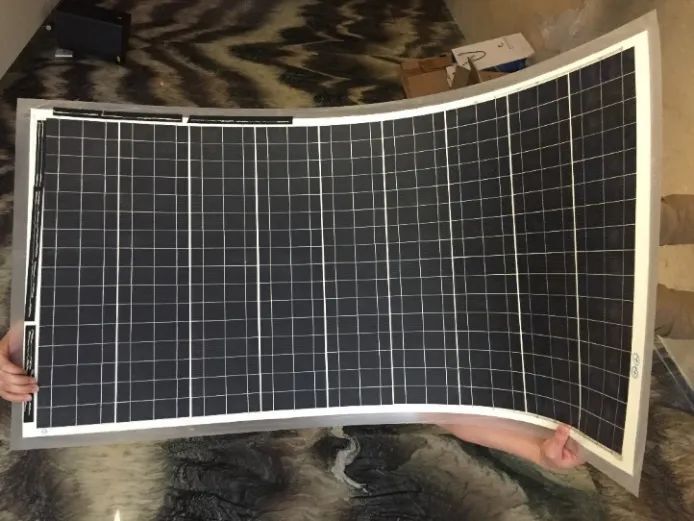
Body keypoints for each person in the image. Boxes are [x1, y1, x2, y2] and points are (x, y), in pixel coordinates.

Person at [1, 196, 692, 472]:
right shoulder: (304, 365)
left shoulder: (271, 221)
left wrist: (28, 322)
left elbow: (97, 255)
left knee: (634, 216)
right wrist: (535, 446)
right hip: (543, 325)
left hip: (506, 221)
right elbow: (440, 407)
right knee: (653, 310)